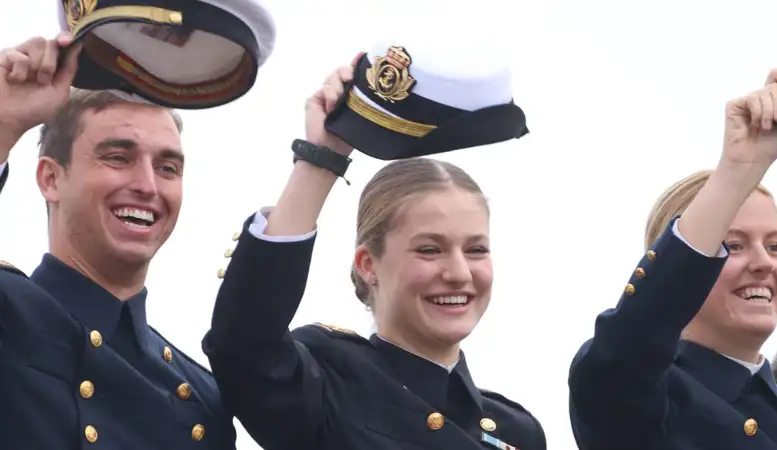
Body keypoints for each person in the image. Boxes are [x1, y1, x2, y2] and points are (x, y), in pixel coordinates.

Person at [201, 54, 547, 449]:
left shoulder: (517, 431)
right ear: (368, 265)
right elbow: (243, 346)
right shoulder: (331, 383)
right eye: (430, 249)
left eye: (476, 250)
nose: (459, 273)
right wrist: (322, 158)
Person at [0, 33, 237, 448]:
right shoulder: (8, 316)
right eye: (118, 157)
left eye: (167, 168)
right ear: (51, 178)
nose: (147, 185)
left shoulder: (203, 395)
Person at [568, 68, 777, 449]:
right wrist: (737, 172)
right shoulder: (647, 399)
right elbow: (625, 351)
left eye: (775, 246)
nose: (764, 264)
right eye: (734, 246)